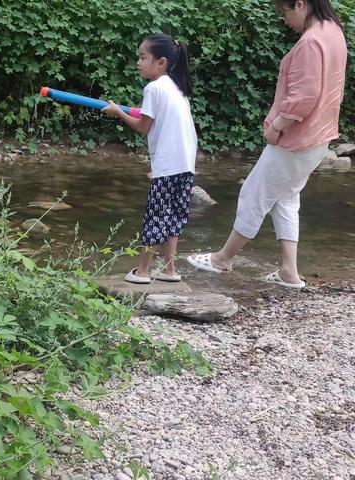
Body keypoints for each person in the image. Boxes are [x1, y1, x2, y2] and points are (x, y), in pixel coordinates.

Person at [187, 0, 347, 289]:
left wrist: (277, 126)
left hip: (296, 139)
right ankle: (289, 272)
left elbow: (305, 96)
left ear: (300, 4)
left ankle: (222, 259)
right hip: (319, 138)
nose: (284, 20)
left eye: (284, 13)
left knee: (253, 194)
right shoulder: (333, 31)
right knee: (285, 198)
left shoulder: (311, 42)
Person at [103, 33, 197, 284]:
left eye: (143, 57)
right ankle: (169, 270)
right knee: (175, 216)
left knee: (156, 215)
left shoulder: (153, 88)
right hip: (186, 164)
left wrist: (118, 113)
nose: (138, 62)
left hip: (167, 165)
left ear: (161, 62)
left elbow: (143, 126)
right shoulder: (177, 88)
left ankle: (143, 272)